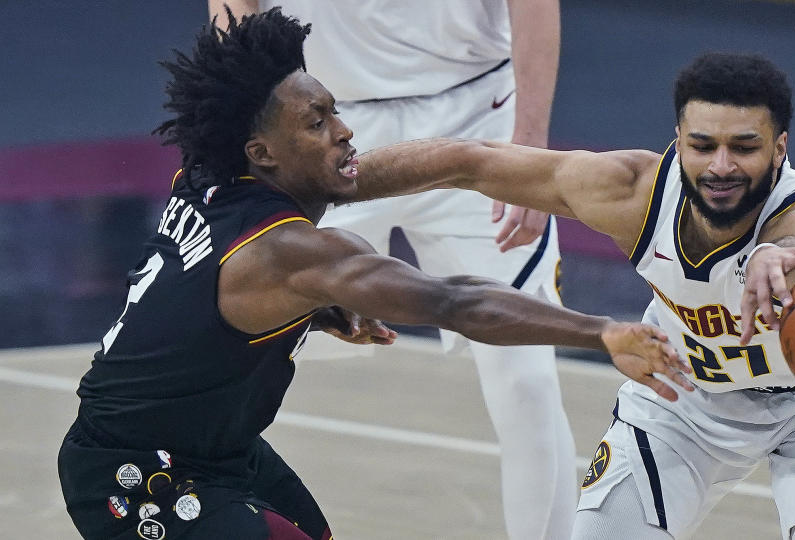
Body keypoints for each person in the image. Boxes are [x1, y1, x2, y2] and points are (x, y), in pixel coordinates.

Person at [56, 10, 690, 540]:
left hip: (219, 449)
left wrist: (311, 309)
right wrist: (602, 331)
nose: (344, 129)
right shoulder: (292, 253)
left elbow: (198, 299)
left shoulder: (210, 173)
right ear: (264, 153)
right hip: (134, 469)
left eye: (333, 111)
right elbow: (454, 302)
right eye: (318, 123)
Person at [352, 53, 795, 540]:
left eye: (744, 147)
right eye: (702, 145)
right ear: (678, 139)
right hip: (685, 395)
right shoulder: (633, 194)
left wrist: (779, 253)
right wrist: (327, 184)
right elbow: (466, 161)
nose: (721, 166)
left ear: (780, 148)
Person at [210, 2, 575, 538]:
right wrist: (227, 129)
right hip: (321, 128)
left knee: (527, 377)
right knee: (239, 354)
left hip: (477, 114)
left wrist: (529, 145)